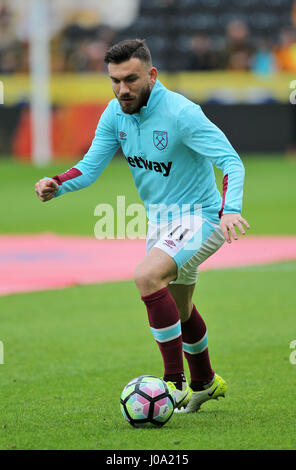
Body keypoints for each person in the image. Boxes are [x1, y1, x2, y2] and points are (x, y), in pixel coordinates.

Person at [35, 39, 250, 413]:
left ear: (151, 74)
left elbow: (231, 161)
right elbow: (89, 167)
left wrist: (230, 209)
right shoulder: (114, 113)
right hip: (161, 224)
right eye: (115, 81)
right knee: (180, 310)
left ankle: (173, 384)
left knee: (147, 277)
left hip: (201, 216)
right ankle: (204, 382)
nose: (122, 89)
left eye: (131, 79)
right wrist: (58, 182)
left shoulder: (181, 113)